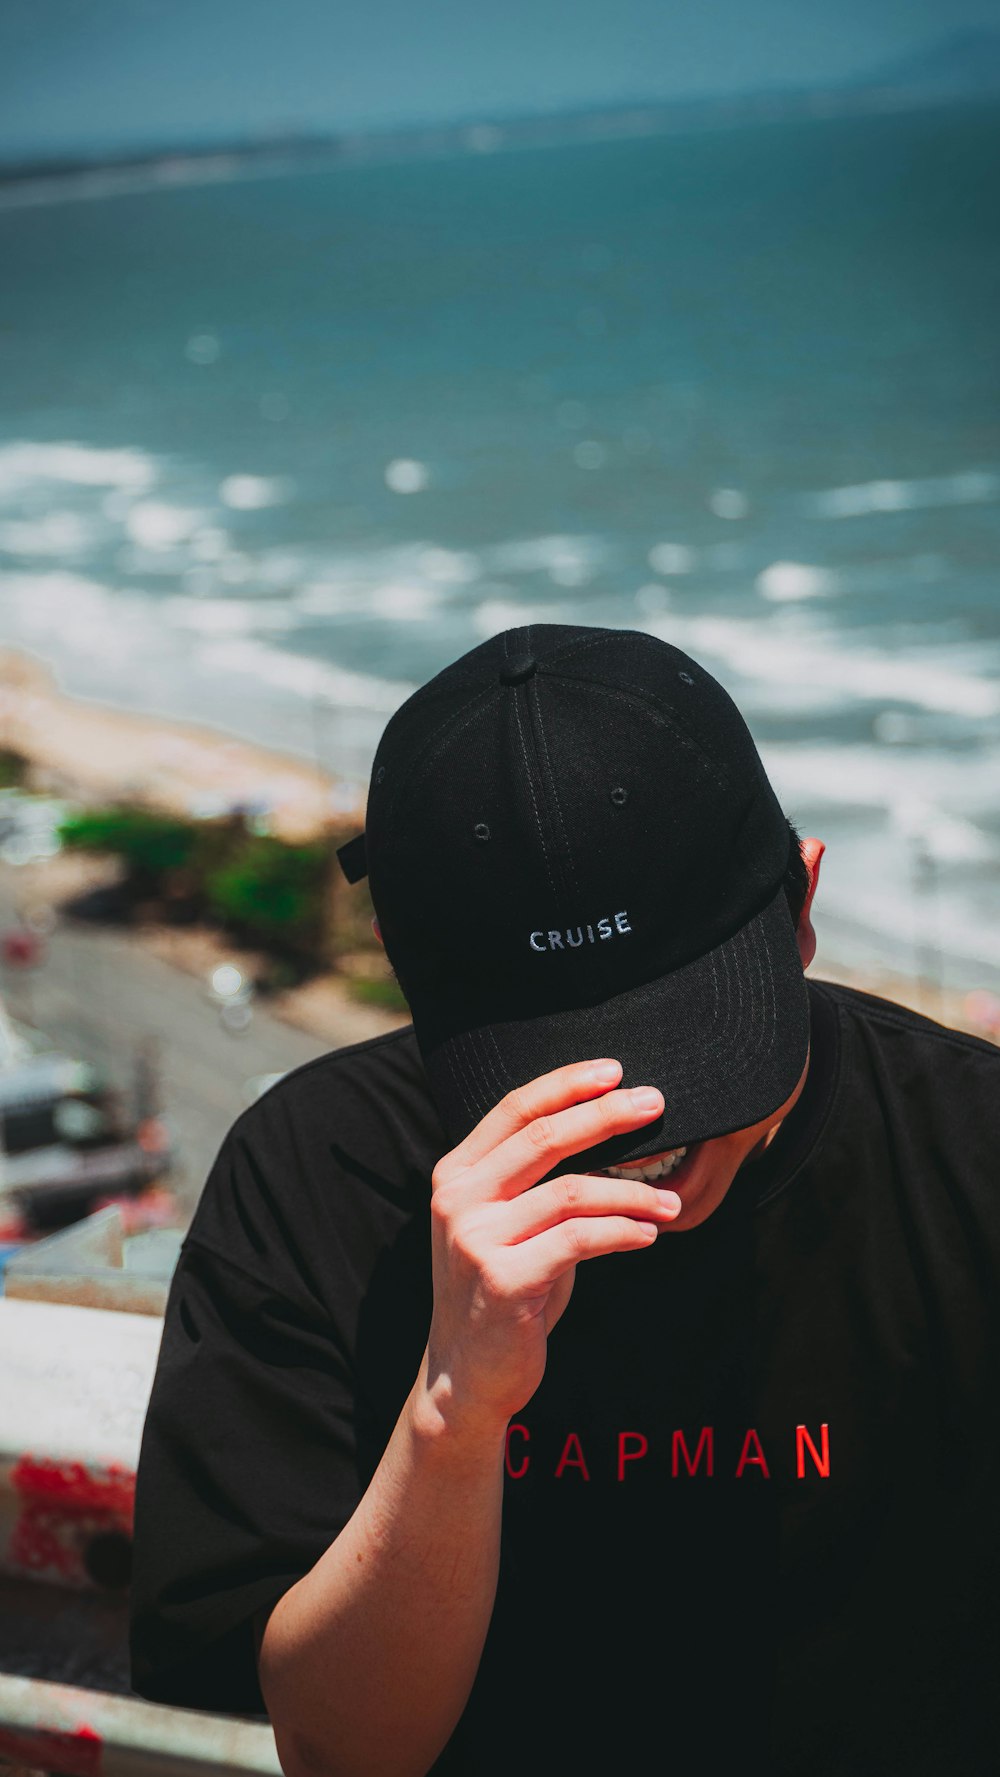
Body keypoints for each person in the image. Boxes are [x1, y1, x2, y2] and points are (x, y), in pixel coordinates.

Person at [130, 624, 1000, 1777]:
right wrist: (453, 1411)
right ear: (398, 960)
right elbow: (341, 1751)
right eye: (557, 1068)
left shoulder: (969, 1146)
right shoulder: (318, 1171)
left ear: (801, 905)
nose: (648, 1131)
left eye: (695, 1050)